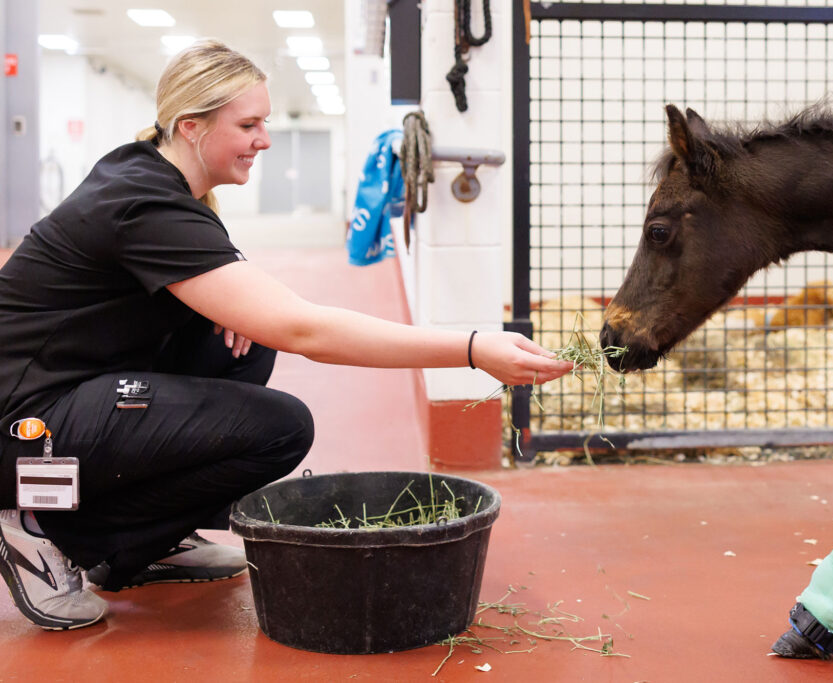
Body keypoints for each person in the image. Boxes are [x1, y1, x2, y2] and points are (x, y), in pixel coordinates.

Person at [0, 40, 572, 631]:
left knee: (242, 342)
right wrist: (474, 349)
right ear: (191, 127)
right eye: (249, 124)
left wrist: (231, 311)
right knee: (280, 428)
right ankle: (43, 527)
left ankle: (144, 546)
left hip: (81, 390)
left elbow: (251, 304)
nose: (265, 139)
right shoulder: (143, 202)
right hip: (25, 425)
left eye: (264, 122)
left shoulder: (158, 177)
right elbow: (306, 329)